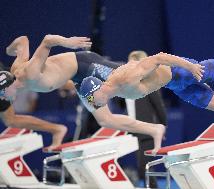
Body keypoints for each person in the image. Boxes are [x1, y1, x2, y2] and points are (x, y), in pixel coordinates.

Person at [83, 47, 214, 158]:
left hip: (183, 72)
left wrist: (190, 66)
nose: (93, 105)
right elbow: (108, 117)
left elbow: (160, 57)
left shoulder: (124, 77)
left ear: (97, 90)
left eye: (91, 100)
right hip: (176, 86)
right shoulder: (108, 90)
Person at [1, 35, 166, 153]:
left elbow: (47, 40)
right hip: (80, 79)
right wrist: (9, 50)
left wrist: (68, 42)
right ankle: (153, 129)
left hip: (86, 64)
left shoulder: (30, 73)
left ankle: (173, 71)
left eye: (1, 94)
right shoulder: (16, 68)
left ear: (7, 86)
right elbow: (22, 41)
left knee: (128, 80)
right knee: (105, 120)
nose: (2, 99)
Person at [126, 50, 167, 188]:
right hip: (131, 132)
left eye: (132, 63)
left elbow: (159, 108)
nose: (128, 66)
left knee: (144, 167)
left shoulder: (149, 84)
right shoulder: (124, 84)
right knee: (142, 168)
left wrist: (162, 128)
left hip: (146, 131)